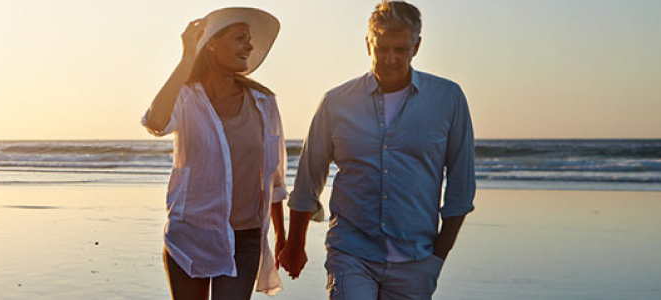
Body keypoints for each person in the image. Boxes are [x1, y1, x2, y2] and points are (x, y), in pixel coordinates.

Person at [277, 1, 476, 300]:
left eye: (400, 49)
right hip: (350, 252)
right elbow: (308, 179)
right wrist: (294, 244)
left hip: (417, 259)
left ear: (417, 46)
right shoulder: (336, 102)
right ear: (367, 44)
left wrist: (437, 257)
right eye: (382, 48)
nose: (391, 58)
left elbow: (461, 186)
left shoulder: (448, 99)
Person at [141, 7, 288, 300]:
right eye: (239, 38)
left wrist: (282, 235)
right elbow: (156, 122)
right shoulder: (185, 97)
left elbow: (274, 177)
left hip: (245, 236)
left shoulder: (263, 102)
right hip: (190, 233)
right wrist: (186, 59)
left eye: (249, 39)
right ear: (211, 43)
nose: (248, 45)